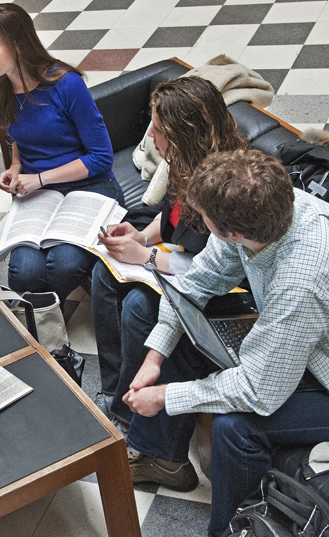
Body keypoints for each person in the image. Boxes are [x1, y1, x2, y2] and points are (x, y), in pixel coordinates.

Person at [122, 149, 329, 537]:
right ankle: (164, 460)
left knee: (236, 428)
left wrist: (164, 397)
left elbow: (260, 392)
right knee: (176, 330)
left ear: (235, 233)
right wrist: (154, 358)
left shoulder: (304, 278)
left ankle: (231, 531)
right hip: (306, 352)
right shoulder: (265, 212)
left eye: (206, 222)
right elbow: (194, 286)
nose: (202, 226)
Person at [91, 77, 248, 431]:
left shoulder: (222, 183)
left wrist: (144, 258)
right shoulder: (182, 162)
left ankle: (131, 409)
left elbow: (219, 267)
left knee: (137, 307)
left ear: (181, 136)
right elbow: (172, 217)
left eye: (158, 129)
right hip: (178, 261)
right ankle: (114, 390)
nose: (149, 137)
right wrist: (142, 238)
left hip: (223, 288)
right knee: (104, 272)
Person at [0, 3, 125, 302]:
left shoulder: (66, 84)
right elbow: (20, 135)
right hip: (40, 192)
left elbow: (100, 157)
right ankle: (41, 322)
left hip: (92, 184)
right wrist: (16, 166)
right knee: (22, 272)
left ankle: (40, 321)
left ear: (18, 45)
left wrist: (40, 178)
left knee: (64, 264)